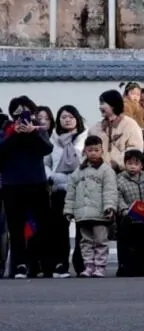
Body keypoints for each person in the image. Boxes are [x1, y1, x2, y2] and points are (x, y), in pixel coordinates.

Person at [0, 96, 55, 279]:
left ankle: (42, 264)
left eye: (25, 112)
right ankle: (20, 265)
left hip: (36, 183)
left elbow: (46, 149)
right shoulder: (6, 130)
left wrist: (32, 132)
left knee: (42, 226)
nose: (21, 117)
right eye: (17, 113)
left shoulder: (38, 129)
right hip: (12, 185)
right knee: (15, 228)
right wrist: (14, 134)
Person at [63, 136, 118, 278]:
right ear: (84, 151)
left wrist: (110, 207)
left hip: (100, 214)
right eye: (90, 150)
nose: (93, 153)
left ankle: (100, 266)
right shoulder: (78, 171)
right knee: (85, 242)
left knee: (101, 241)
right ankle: (89, 266)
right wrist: (68, 210)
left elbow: (110, 191)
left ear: (102, 151)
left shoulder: (106, 171)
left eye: (96, 150)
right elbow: (71, 192)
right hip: (83, 214)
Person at [47, 105, 87, 278]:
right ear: (58, 120)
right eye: (63, 117)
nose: (67, 120)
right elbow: (46, 163)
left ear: (77, 119)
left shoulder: (84, 138)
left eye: (71, 116)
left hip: (81, 188)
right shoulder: (53, 139)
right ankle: (61, 264)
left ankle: (81, 264)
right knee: (59, 228)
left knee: (82, 228)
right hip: (59, 188)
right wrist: (52, 177)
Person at [115, 149, 144, 277]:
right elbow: (117, 196)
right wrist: (124, 209)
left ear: (141, 166)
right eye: (129, 163)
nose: (133, 167)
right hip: (128, 216)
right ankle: (126, 268)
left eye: (136, 164)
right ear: (125, 164)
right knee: (127, 244)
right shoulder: (119, 180)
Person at [90, 90, 144, 172]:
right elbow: (87, 149)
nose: (100, 107)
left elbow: (135, 149)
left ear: (113, 105)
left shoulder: (130, 125)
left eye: (102, 103)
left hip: (124, 173)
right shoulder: (95, 128)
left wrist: (117, 164)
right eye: (100, 104)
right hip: (98, 171)